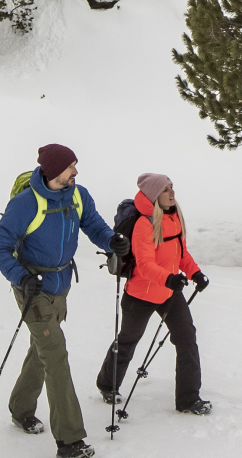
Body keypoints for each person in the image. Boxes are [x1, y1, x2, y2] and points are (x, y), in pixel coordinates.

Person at [0, 143, 122, 458]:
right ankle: (69, 441)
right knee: (55, 354)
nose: (76, 171)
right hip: (31, 289)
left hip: (60, 285)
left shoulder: (78, 196)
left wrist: (112, 241)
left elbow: (94, 225)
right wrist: (21, 277)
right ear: (53, 171)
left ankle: (20, 408)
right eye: (70, 166)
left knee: (42, 351)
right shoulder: (25, 204)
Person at [95, 172, 210, 415]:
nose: (172, 192)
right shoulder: (143, 224)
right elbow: (145, 265)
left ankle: (189, 399)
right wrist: (169, 278)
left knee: (186, 338)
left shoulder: (174, 217)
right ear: (154, 195)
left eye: (172, 187)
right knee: (128, 341)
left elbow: (181, 254)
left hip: (169, 291)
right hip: (141, 294)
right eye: (165, 189)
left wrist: (195, 273)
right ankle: (107, 385)